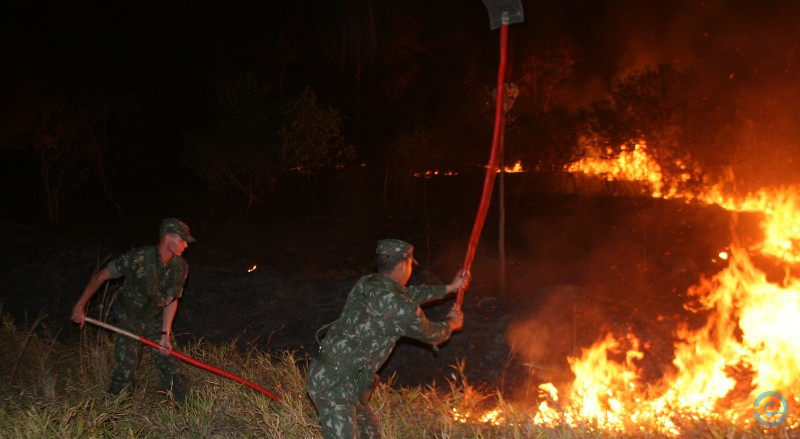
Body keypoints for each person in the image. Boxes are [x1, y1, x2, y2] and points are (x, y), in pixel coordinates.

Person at [306, 239, 469, 439]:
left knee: (370, 433)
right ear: (402, 265)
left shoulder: (367, 283)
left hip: (344, 377)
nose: (410, 268)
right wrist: (452, 323)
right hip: (334, 384)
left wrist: (449, 288)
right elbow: (434, 335)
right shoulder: (403, 308)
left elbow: (408, 294)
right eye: (410, 264)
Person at [71, 218, 195, 403]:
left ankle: (186, 410)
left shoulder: (180, 266)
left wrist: (165, 334)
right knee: (127, 372)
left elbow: (171, 300)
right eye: (182, 240)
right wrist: (80, 306)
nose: (186, 245)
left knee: (173, 366)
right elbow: (101, 276)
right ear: (168, 238)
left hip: (154, 319)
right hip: (128, 319)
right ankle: (109, 414)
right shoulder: (138, 258)